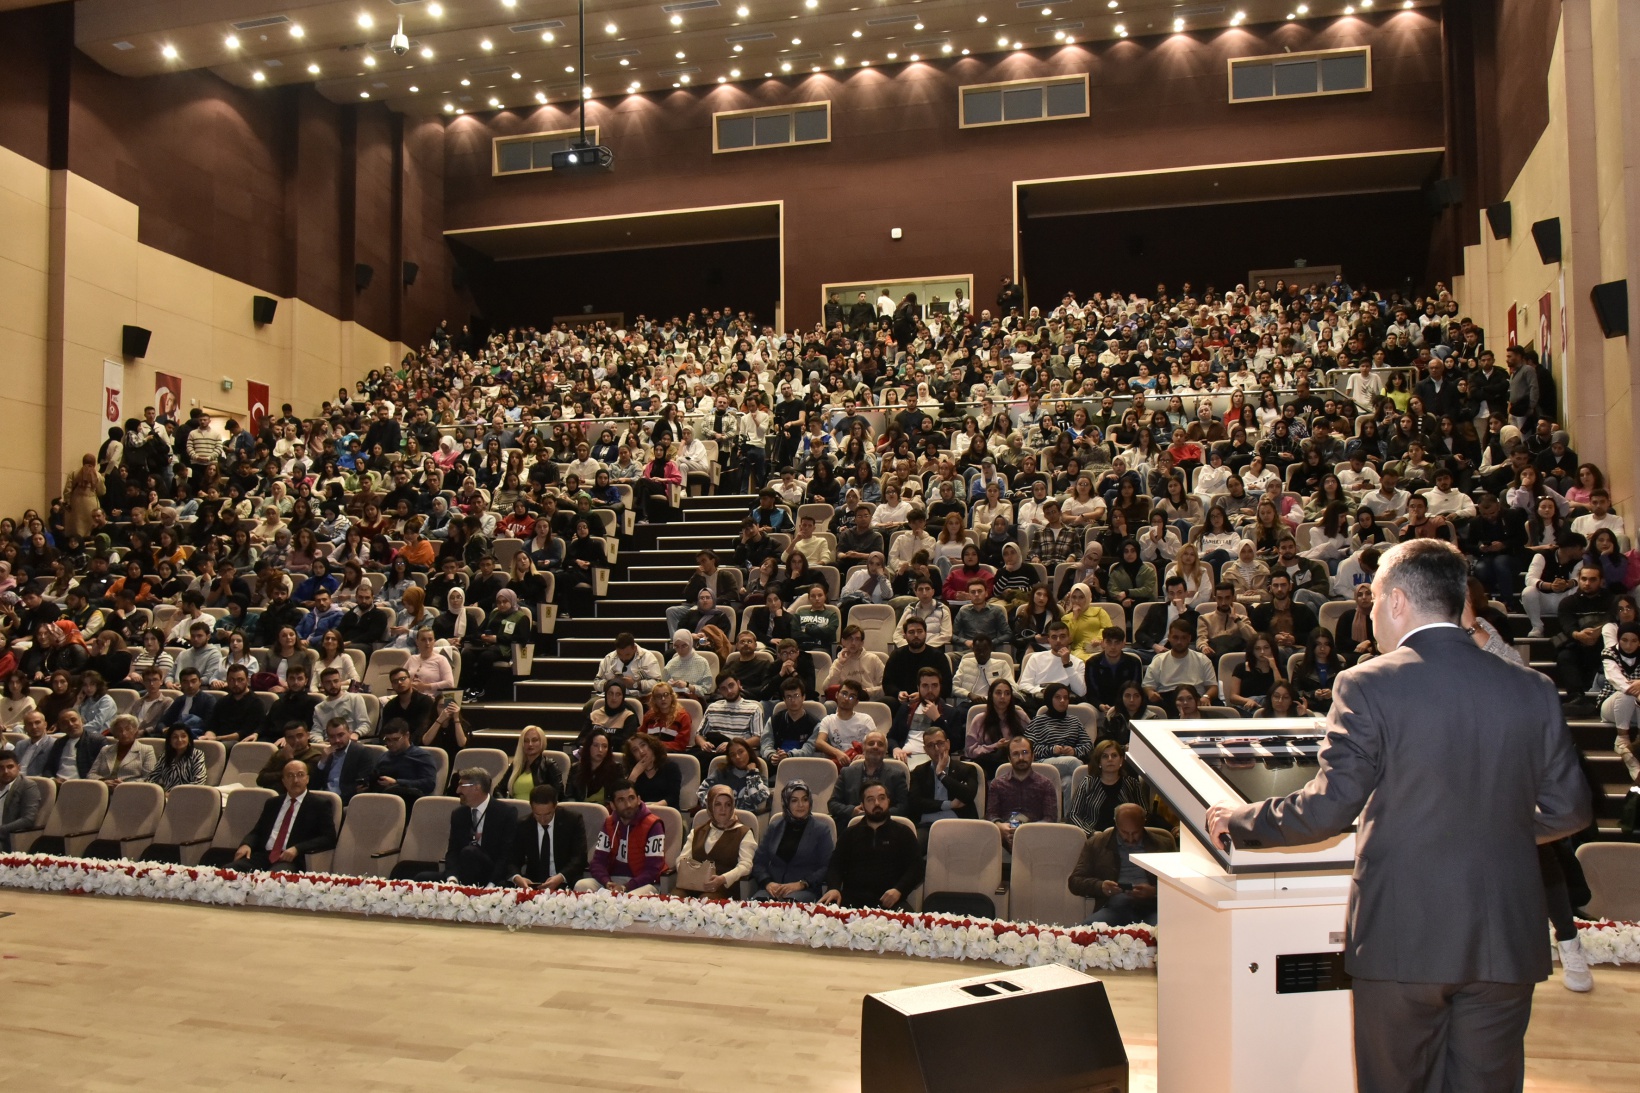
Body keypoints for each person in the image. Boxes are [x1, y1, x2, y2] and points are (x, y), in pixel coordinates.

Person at [1206, 539, 1592, 1093]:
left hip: (1403, 935)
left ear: (1397, 602)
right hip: (1504, 939)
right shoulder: (1532, 687)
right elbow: (1570, 808)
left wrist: (1241, 819)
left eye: (1372, 600)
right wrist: (1492, 829)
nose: (1368, 615)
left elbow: (1328, 807)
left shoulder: (1367, 683)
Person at [819, 779, 923, 909]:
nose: (877, 803)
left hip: (890, 901)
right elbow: (835, 866)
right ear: (862, 805)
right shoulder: (849, 834)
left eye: (881, 798)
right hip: (852, 902)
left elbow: (916, 868)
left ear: (888, 801)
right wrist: (833, 888)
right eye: (870, 800)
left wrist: (899, 890)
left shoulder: (903, 833)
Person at [1067, 802, 1176, 926]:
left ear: (1143, 823)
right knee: (1088, 930)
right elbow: (1075, 882)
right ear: (1116, 824)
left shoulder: (1163, 845)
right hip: (1114, 908)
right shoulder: (1097, 844)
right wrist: (1101, 886)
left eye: (1135, 833)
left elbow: (1178, 885)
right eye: (1124, 832)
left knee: (1166, 930)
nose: (1130, 838)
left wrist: (1154, 891)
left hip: (1152, 907)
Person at [233, 759, 338, 872]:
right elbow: (257, 831)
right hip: (264, 855)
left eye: (300, 775)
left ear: (307, 779)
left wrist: (297, 849)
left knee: (275, 878)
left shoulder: (319, 804)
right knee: (227, 871)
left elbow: (329, 838)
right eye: (290, 776)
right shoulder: (273, 803)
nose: (295, 780)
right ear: (283, 781)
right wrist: (246, 844)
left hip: (291, 859)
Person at [423, 768, 519, 886]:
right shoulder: (458, 814)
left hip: (491, 875)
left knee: (470, 852)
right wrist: (452, 879)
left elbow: (505, 855)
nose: (457, 790)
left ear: (477, 788)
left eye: (462, 785)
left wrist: (491, 884)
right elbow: (453, 851)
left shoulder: (505, 813)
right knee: (422, 878)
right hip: (462, 872)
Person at [574, 780, 667, 896]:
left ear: (638, 799)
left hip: (643, 883)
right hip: (613, 879)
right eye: (621, 800)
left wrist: (626, 887)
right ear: (612, 805)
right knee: (581, 885)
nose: (628, 805)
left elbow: (653, 869)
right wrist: (607, 882)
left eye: (631, 798)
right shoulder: (609, 823)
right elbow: (598, 861)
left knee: (631, 898)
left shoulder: (653, 824)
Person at [750, 779, 834, 903]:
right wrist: (767, 882)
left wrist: (802, 883)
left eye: (805, 799)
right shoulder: (775, 827)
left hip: (804, 891)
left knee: (789, 907)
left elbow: (826, 866)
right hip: (772, 889)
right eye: (794, 800)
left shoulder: (821, 830)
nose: (801, 805)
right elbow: (759, 862)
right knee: (754, 907)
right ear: (786, 803)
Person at [676, 783, 756, 900]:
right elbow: (682, 859)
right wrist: (691, 875)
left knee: (706, 901)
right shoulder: (697, 831)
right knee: (674, 899)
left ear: (732, 807)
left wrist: (722, 879)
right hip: (693, 885)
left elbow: (746, 866)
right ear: (710, 806)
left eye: (727, 804)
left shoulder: (743, 832)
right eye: (718, 804)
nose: (723, 809)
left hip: (724, 887)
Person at [504, 783, 588, 891]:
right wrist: (517, 877)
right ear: (531, 807)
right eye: (537, 814)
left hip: (565, 880)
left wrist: (560, 877)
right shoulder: (523, 825)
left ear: (555, 806)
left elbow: (580, 857)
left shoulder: (572, 821)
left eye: (548, 814)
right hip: (533, 882)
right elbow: (512, 859)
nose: (543, 819)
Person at [906, 725, 979, 828]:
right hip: (927, 823)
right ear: (925, 750)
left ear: (948, 744)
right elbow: (915, 803)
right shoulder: (919, 771)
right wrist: (950, 805)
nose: (936, 749)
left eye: (940, 743)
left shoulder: (967, 769)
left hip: (959, 823)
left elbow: (968, 796)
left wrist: (941, 775)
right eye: (930, 745)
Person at [368, 719, 439, 805]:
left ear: (407, 735)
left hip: (409, 801)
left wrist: (397, 782)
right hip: (381, 800)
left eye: (395, 739)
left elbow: (429, 784)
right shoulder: (384, 757)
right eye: (387, 739)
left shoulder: (421, 756)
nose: (390, 743)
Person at [314, 717, 373, 802]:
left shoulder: (362, 752)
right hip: (323, 798)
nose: (337, 740)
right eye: (332, 736)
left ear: (349, 733)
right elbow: (314, 785)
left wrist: (338, 799)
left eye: (340, 735)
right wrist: (322, 762)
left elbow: (361, 787)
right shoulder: (327, 754)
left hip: (346, 800)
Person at [255, 720, 323, 789]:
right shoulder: (279, 754)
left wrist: (289, 759)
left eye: (300, 736)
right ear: (286, 739)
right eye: (291, 737)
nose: (296, 740)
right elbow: (261, 779)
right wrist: (284, 774)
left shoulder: (315, 757)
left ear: (308, 735)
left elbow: (296, 780)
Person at [89, 714, 155, 784]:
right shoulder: (105, 750)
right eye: (119, 730)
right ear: (115, 734)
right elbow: (91, 774)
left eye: (128, 729)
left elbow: (149, 778)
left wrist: (124, 785)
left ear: (136, 731)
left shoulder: (147, 750)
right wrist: (104, 782)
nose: (124, 733)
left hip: (132, 789)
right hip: (105, 788)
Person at [0, 750, 45, 850]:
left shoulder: (27, 786)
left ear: (18, 767)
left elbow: (28, 819)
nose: (6, 771)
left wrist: (1, 830)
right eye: (1, 768)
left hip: (7, 838)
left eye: (10, 767)